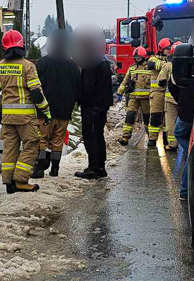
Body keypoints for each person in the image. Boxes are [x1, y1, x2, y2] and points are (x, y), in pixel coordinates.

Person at [0, 30, 51, 193]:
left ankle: (8, 182)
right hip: (25, 118)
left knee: (10, 148)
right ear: (22, 44)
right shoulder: (27, 66)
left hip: (8, 118)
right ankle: (21, 180)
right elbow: (36, 93)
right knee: (32, 145)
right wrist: (46, 111)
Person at [35, 29, 80, 178]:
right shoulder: (73, 66)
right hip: (64, 111)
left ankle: (40, 169)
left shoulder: (42, 63)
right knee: (58, 141)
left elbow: (34, 86)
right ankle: (55, 169)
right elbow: (77, 88)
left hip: (44, 111)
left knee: (42, 139)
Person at [74, 43, 113, 180]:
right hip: (102, 105)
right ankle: (100, 166)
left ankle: (93, 168)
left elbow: (88, 87)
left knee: (90, 136)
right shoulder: (104, 61)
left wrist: (79, 98)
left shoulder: (90, 63)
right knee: (98, 135)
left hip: (91, 106)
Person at [170, 43, 194, 200]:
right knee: (193, 154)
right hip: (193, 118)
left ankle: (186, 191)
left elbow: (173, 87)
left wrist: (183, 103)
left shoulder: (181, 65)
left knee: (191, 153)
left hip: (185, 117)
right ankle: (185, 191)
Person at [116, 46, 150, 146]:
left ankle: (151, 138)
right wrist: (120, 92)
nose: (137, 59)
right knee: (130, 116)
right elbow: (125, 81)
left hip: (146, 99)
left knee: (147, 119)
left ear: (144, 57)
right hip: (133, 98)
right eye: (136, 58)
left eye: (139, 58)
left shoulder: (149, 68)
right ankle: (125, 137)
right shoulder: (132, 68)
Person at [146, 38, 172, 147]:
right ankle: (152, 139)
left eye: (170, 49)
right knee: (155, 116)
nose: (169, 51)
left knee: (167, 118)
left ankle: (167, 140)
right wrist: (168, 64)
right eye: (167, 49)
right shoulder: (153, 59)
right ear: (161, 49)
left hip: (167, 92)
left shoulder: (171, 59)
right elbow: (154, 65)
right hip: (157, 92)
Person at [161, 41, 183, 151]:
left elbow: (161, 80)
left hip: (170, 98)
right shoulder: (191, 63)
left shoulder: (168, 65)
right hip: (185, 99)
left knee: (170, 121)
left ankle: (172, 144)